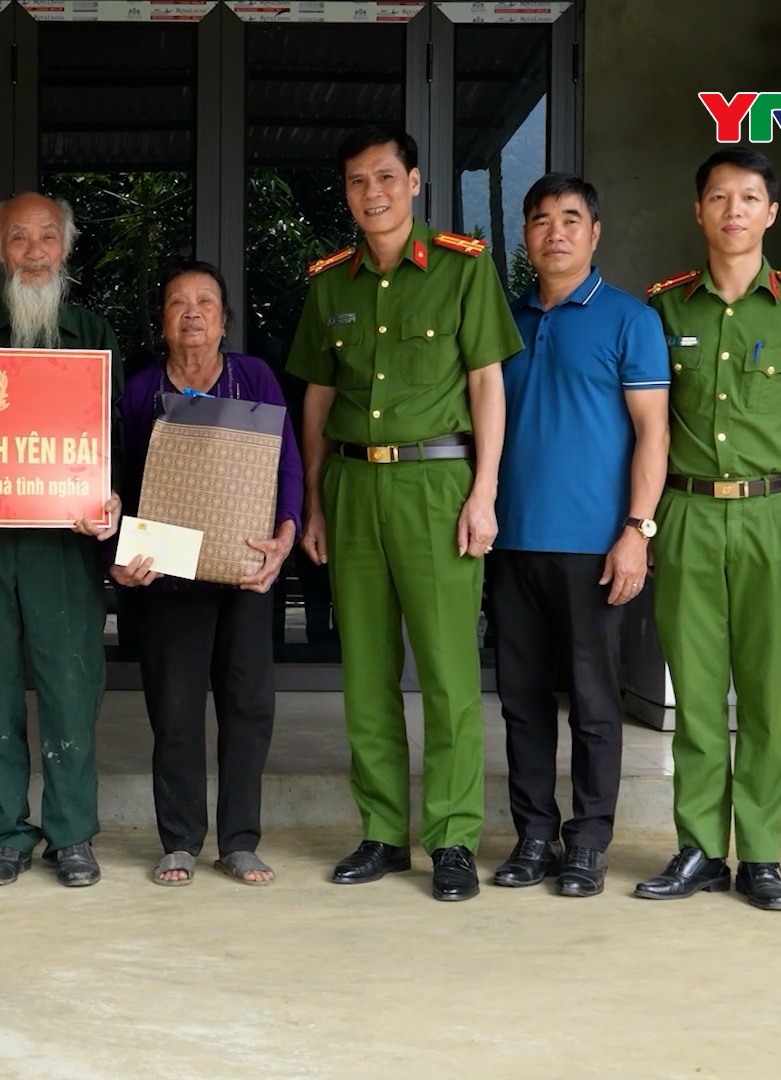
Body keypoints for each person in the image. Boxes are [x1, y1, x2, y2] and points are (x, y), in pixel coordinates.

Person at [286, 126, 521, 902]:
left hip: (436, 484)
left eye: (385, 177)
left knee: (450, 672)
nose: (372, 194)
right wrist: (314, 500)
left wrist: (484, 492)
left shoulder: (462, 267)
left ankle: (452, 837)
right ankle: (383, 832)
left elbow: (487, 383)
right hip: (353, 487)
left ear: (415, 182)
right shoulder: (330, 284)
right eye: (357, 182)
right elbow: (316, 398)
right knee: (366, 672)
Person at [633, 149, 781, 912]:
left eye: (749, 198)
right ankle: (696, 850)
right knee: (693, 690)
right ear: (698, 212)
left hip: (772, 512)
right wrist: (645, 525)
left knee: (763, 697)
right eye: (718, 197)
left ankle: (760, 855)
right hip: (685, 512)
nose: (733, 211)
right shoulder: (664, 308)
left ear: (771, 212)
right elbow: (646, 425)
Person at [486, 175, 669, 899]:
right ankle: (533, 835)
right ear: (525, 237)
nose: (554, 232)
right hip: (512, 544)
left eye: (571, 219)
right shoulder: (505, 322)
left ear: (595, 233)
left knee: (595, 703)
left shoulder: (630, 320)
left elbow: (653, 434)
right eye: (540, 221)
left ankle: (588, 842)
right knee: (522, 701)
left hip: (597, 545)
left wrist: (636, 531)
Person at [0, 192, 123, 888]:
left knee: (71, 686)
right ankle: (6, 834)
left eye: (49, 236)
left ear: (67, 248)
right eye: (20, 238)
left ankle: (72, 833)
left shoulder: (93, 331)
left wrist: (112, 505)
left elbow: (115, 444)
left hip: (63, 542)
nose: (36, 251)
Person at [112, 260, 300, 887]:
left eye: (206, 302)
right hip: (166, 579)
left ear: (224, 319)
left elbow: (288, 466)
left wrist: (285, 536)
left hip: (244, 569)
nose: (192, 313)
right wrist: (119, 558)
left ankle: (240, 839)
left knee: (248, 704)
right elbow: (117, 486)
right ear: (162, 320)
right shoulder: (138, 390)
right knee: (175, 707)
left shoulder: (255, 378)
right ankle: (180, 841)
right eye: (177, 303)